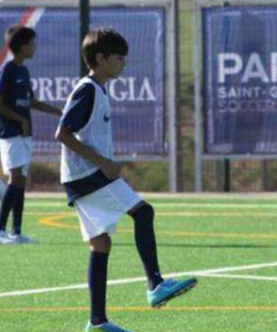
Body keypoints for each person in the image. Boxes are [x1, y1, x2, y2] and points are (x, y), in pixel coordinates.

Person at [55, 28, 197, 332]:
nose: (124, 63)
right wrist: (102, 162)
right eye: (119, 58)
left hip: (80, 176)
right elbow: (63, 134)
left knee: (101, 244)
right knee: (143, 212)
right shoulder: (88, 89)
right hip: (87, 175)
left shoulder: (98, 89)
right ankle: (155, 284)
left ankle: (97, 322)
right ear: (100, 58)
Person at [0, 25, 62, 245]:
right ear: (22, 47)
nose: (34, 47)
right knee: (16, 178)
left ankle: (16, 232)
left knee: (21, 180)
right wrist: (20, 120)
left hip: (24, 135)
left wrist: (60, 112)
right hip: (11, 134)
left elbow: (32, 102)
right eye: (32, 43)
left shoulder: (24, 71)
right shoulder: (8, 70)